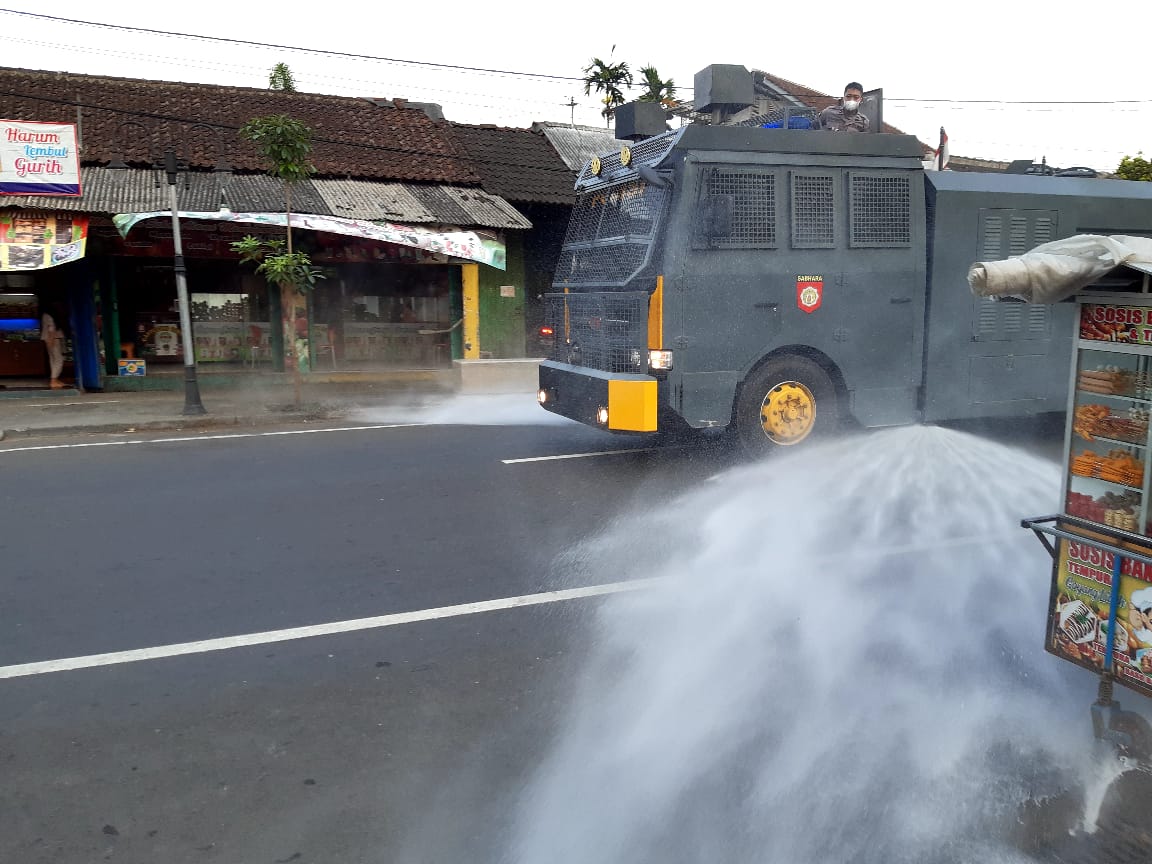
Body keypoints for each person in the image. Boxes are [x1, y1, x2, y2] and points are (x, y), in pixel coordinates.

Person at [40, 307, 66, 389]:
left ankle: (55, 379)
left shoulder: (44, 315)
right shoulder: (50, 316)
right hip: (54, 339)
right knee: (59, 359)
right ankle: (53, 380)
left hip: (49, 339)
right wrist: (51, 341)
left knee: (52, 359)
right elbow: (51, 329)